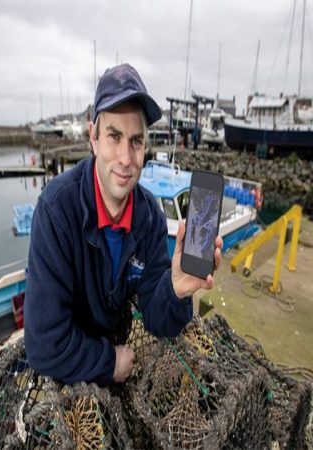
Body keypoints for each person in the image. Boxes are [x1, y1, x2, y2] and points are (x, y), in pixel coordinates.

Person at [23, 64, 223, 385]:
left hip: (112, 347)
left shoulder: (149, 218)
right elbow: (44, 345)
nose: (126, 158)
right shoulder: (56, 210)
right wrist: (109, 361)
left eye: (136, 141)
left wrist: (176, 290)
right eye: (114, 137)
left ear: (145, 147)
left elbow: (158, 319)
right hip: (71, 366)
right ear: (94, 137)